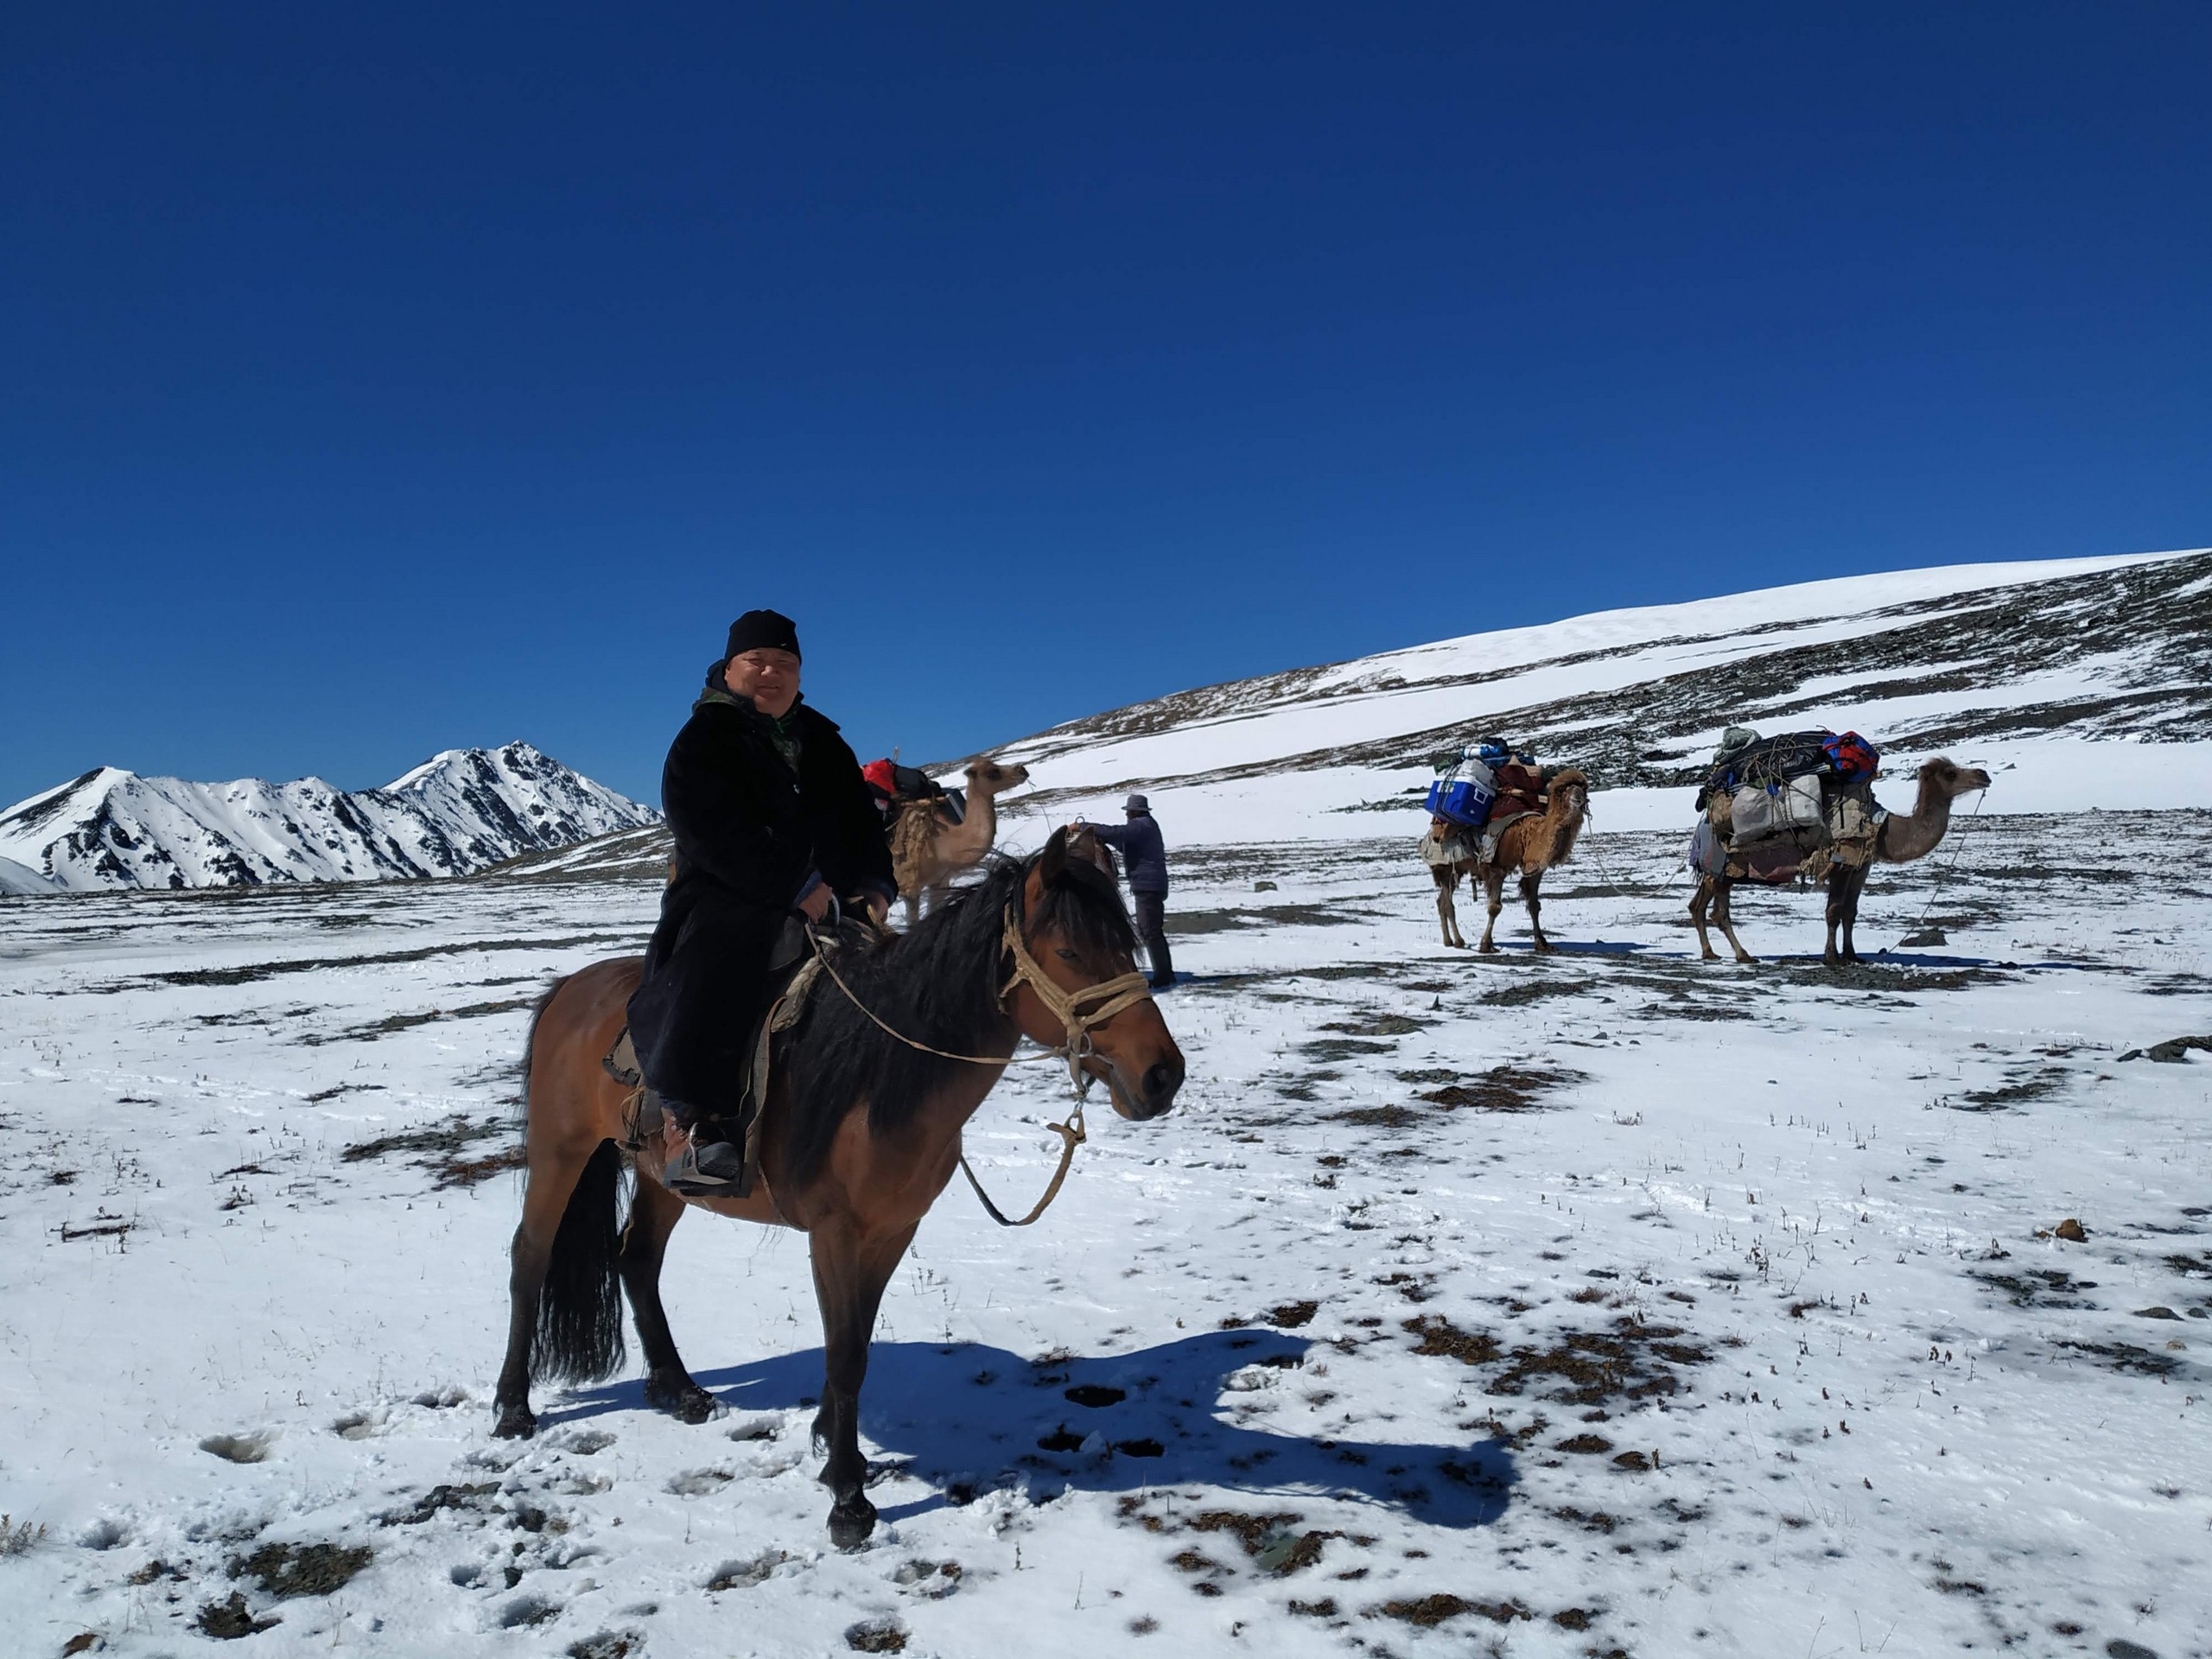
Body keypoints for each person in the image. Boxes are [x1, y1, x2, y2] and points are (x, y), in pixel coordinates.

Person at [626, 610, 895, 1192]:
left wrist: (874, 886)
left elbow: (860, 825)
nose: (771, 672)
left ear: (800, 674)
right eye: (758, 661)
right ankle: (694, 1121)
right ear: (731, 668)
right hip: (728, 893)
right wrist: (797, 887)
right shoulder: (705, 739)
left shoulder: (823, 741)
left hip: (834, 899)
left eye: (786, 664)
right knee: (719, 964)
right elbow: (709, 828)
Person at [1077, 792, 1174, 988]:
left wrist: (1082, 827)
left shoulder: (1142, 825)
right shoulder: (1146, 827)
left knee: (1150, 930)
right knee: (1151, 929)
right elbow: (1123, 842)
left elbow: (1117, 833)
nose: (1128, 816)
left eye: (1129, 812)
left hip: (1148, 885)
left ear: (1134, 812)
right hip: (1150, 884)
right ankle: (1164, 972)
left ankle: (1164, 975)